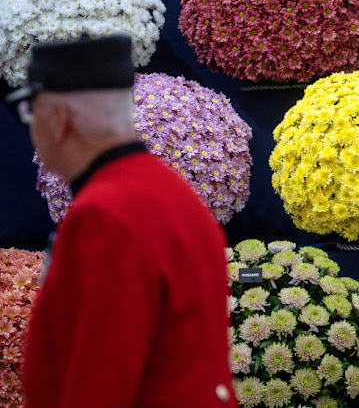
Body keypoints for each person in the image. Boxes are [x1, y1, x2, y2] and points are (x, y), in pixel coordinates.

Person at [6, 34, 237, 407]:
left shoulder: (106, 214)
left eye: (30, 114)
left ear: (59, 120)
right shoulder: (175, 195)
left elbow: (101, 379)